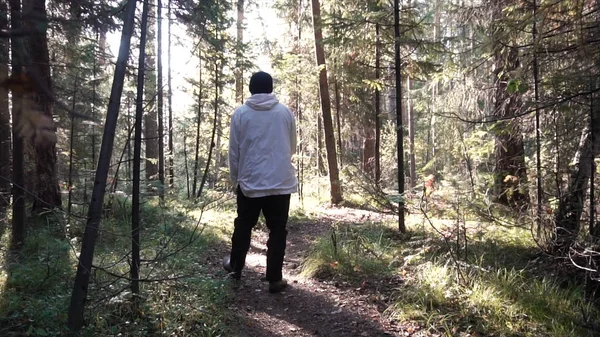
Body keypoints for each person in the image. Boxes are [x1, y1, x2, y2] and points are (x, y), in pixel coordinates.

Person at [223, 71, 297, 293]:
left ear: (250, 89)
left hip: (250, 182)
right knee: (277, 230)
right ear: (271, 88)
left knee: (243, 226)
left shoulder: (241, 114)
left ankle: (235, 269)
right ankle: (274, 278)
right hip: (280, 181)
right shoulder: (285, 113)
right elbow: (291, 146)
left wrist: (236, 178)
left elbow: (234, 152)